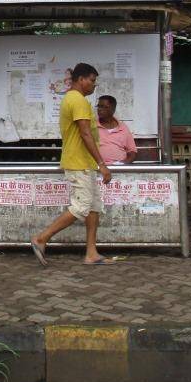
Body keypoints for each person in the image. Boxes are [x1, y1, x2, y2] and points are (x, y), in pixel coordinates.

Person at [30, 63, 114, 266]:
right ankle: (42, 238)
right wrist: (102, 163)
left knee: (94, 207)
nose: (94, 85)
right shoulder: (77, 100)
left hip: (85, 163)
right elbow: (85, 133)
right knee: (82, 206)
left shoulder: (76, 99)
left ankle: (91, 253)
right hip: (79, 163)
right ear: (81, 79)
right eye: (92, 80)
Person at [96, 95, 138, 165]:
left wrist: (123, 163)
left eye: (104, 107)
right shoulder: (92, 126)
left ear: (113, 109)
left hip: (119, 168)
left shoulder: (123, 127)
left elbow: (132, 151)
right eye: (99, 106)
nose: (100, 109)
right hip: (98, 167)